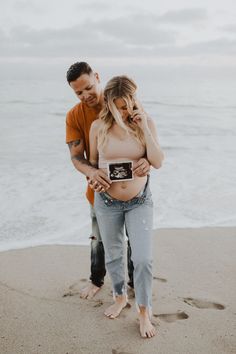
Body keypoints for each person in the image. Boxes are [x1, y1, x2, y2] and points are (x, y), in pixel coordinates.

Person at [65, 62, 151, 299]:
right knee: (98, 238)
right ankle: (96, 279)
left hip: (134, 191)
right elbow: (76, 157)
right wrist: (92, 173)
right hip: (99, 189)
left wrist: (148, 161)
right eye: (78, 92)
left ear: (97, 77)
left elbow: (146, 139)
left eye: (89, 88)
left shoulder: (122, 102)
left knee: (135, 239)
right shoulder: (74, 115)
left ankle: (134, 283)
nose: (85, 96)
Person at [89, 75, 164, 338]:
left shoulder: (146, 122)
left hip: (139, 201)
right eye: (118, 106)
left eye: (128, 105)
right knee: (114, 255)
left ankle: (144, 311)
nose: (124, 111)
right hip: (107, 202)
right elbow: (93, 164)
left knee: (142, 258)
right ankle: (119, 296)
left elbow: (158, 160)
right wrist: (94, 178)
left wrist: (143, 128)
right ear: (108, 103)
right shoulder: (98, 126)